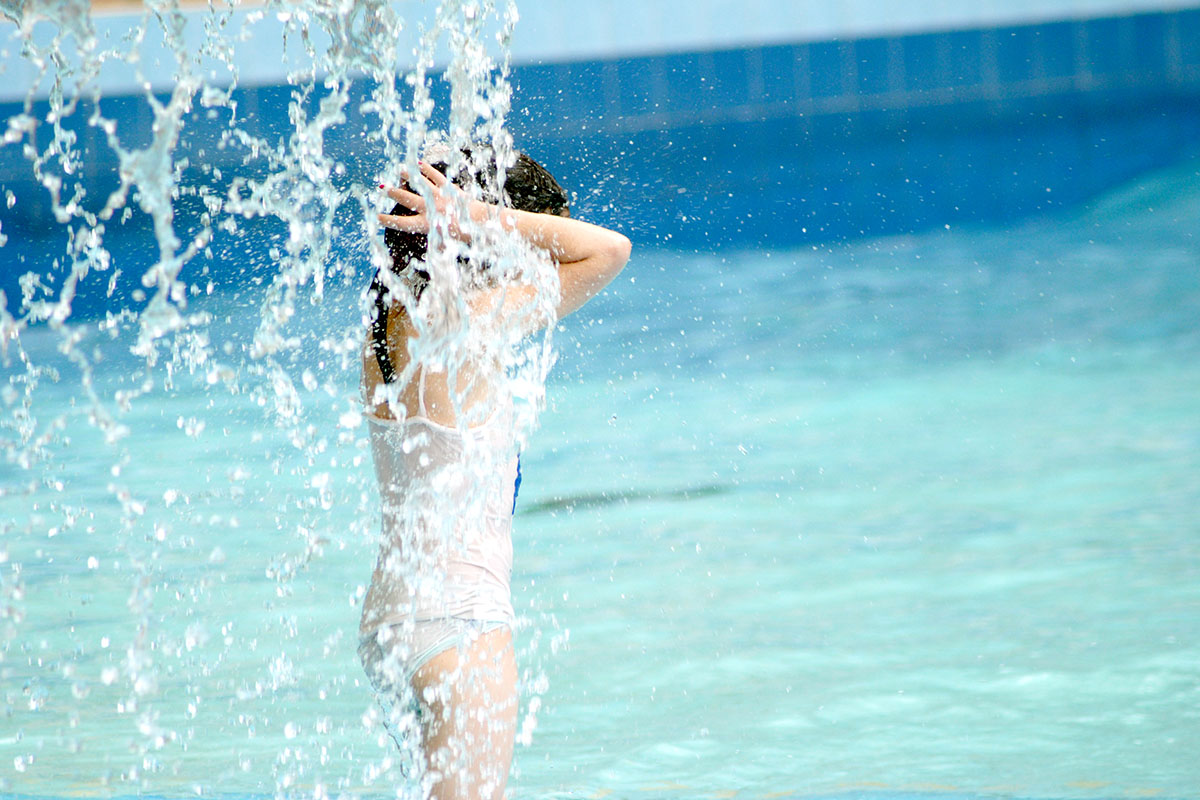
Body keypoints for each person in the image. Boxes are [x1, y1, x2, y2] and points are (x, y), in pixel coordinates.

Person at [357, 146, 631, 800]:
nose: (538, 260)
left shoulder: (383, 319)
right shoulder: (472, 323)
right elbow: (609, 251)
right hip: (461, 624)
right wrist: (474, 213)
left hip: (390, 625)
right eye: (531, 238)